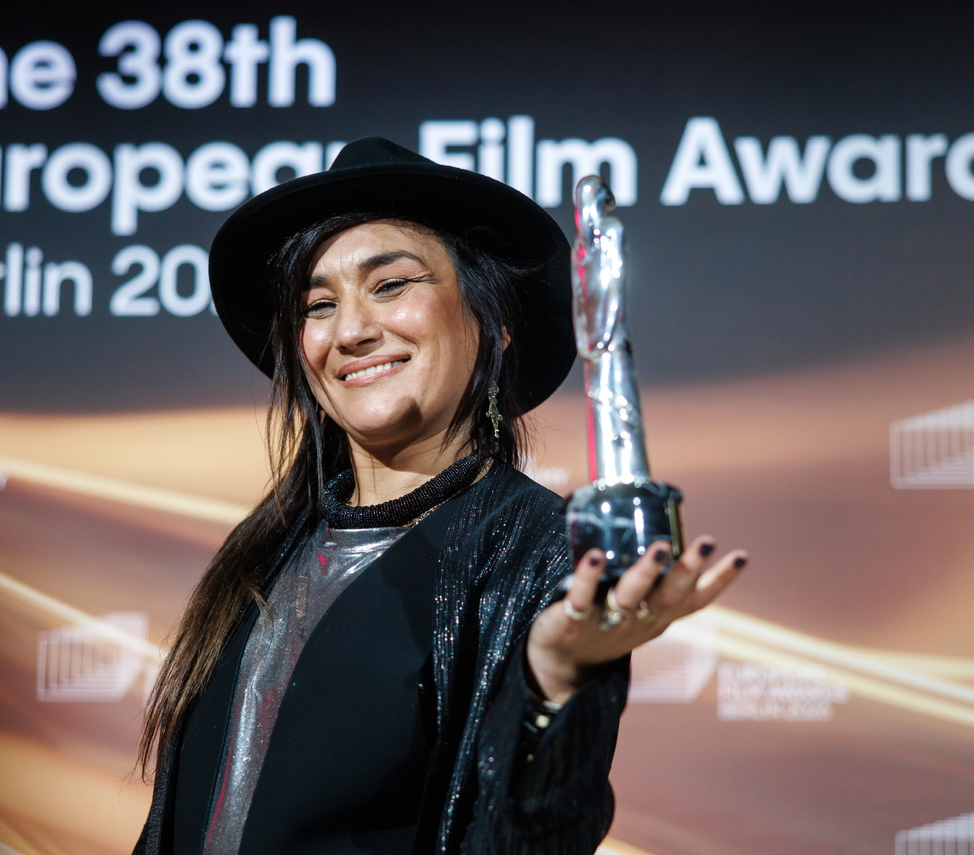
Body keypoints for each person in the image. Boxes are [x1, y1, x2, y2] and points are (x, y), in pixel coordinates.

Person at [132, 137, 746, 855]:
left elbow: (534, 836)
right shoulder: (263, 553)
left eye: (391, 285)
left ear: (495, 320)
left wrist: (550, 684)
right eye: (318, 304)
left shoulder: (545, 554)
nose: (351, 330)